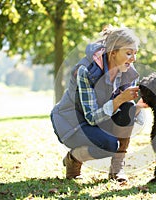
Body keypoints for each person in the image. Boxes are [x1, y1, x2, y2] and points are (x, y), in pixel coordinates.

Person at [50, 25, 148, 182]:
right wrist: (120, 99)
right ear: (113, 52)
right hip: (74, 124)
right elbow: (90, 117)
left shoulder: (128, 72)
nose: (133, 59)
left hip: (101, 120)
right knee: (109, 145)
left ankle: (117, 170)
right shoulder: (86, 70)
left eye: (135, 54)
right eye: (129, 53)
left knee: (129, 108)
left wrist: (138, 108)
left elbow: (128, 115)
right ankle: (73, 158)